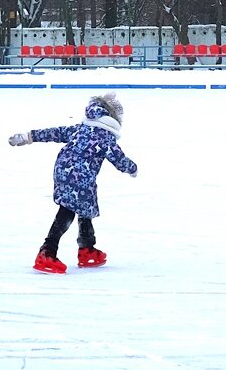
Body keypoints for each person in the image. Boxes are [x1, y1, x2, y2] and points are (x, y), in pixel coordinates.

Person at [10, 93, 138, 273]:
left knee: (86, 205)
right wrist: (132, 169)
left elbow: (55, 132)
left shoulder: (80, 129)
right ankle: (47, 251)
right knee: (68, 210)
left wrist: (29, 136)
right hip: (79, 176)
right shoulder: (105, 137)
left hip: (64, 171)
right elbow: (119, 159)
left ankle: (86, 248)